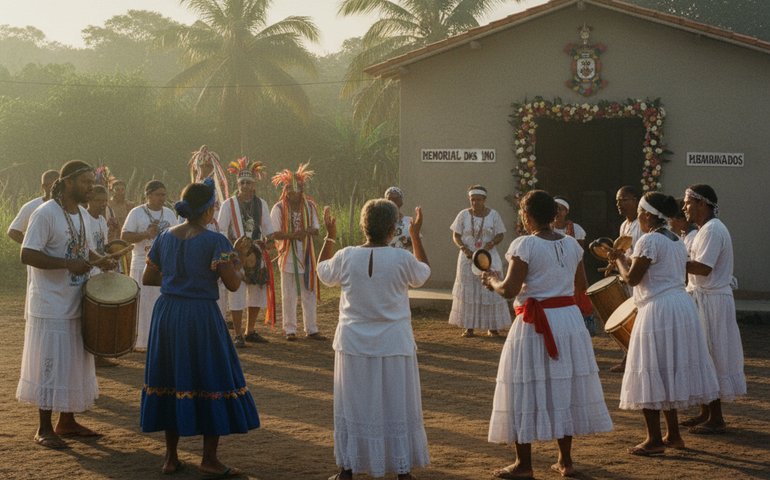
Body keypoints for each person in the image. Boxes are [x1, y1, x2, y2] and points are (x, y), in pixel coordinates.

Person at [481, 190, 613, 479]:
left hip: (534, 322)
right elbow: (580, 285)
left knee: (523, 386)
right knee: (562, 384)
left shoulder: (525, 244)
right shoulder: (571, 244)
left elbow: (510, 289)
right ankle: (565, 461)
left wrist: (492, 279)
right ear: (554, 215)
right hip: (568, 320)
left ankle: (524, 465)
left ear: (527, 216)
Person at [140, 179, 259, 476]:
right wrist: (239, 261)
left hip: (167, 313)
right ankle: (209, 459)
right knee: (211, 376)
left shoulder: (164, 237)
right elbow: (232, 284)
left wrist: (177, 278)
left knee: (171, 377)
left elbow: (149, 278)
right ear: (208, 211)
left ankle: (170, 458)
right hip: (200, 315)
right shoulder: (216, 241)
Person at [317, 199, 431, 480]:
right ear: (393, 230)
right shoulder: (402, 258)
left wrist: (330, 236)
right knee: (397, 404)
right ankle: (402, 472)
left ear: (363, 226)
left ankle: (347, 470)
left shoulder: (345, 255)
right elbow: (423, 274)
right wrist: (416, 237)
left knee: (353, 405)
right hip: (394, 343)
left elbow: (322, 271)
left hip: (354, 343)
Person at [608, 192, 720, 455]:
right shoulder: (676, 240)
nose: (638, 218)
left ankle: (655, 440)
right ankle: (673, 435)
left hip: (658, 310)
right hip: (681, 306)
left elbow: (632, 279)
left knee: (651, 368)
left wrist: (619, 260)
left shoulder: (649, 240)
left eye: (639, 213)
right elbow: (676, 275)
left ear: (648, 214)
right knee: (667, 369)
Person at [17, 160, 116, 449]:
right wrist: (66, 264)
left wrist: (101, 258)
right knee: (50, 364)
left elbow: (84, 247)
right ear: (68, 181)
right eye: (86, 181)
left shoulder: (83, 213)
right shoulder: (45, 213)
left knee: (73, 363)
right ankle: (43, 427)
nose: (91, 186)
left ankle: (67, 421)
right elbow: (27, 253)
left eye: (91, 181)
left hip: (76, 300)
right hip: (50, 304)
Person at [681, 184, 746, 434]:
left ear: (702, 203)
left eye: (688, 202)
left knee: (712, 355)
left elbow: (703, 268)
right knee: (703, 353)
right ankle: (705, 412)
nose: (684, 207)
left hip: (713, 301)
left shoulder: (712, 230)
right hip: (705, 298)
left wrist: (672, 259)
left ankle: (716, 418)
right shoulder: (704, 230)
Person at [218, 157, 275, 347]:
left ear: (254, 184)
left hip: (257, 254)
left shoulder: (262, 204)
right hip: (237, 255)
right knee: (237, 292)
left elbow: (268, 228)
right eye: (241, 182)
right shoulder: (229, 204)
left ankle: (250, 331)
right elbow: (221, 231)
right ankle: (237, 334)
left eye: (248, 183)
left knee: (256, 293)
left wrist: (270, 240)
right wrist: (232, 252)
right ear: (238, 184)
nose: (244, 186)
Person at [270, 163, 325, 341]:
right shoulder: (278, 208)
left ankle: (311, 328)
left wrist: (306, 232)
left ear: (302, 190)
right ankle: (290, 330)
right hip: (288, 257)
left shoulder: (309, 206)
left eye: (298, 191)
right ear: (286, 191)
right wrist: (292, 236)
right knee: (289, 295)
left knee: (309, 292)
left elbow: (316, 229)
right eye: (291, 192)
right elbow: (274, 234)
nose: (295, 195)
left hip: (307, 256)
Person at [121, 181, 178, 350]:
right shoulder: (137, 213)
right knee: (143, 305)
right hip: (141, 265)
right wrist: (146, 234)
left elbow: (177, 235)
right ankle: (142, 342)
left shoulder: (168, 213)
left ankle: (162, 341)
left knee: (163, 302)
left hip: (165, 266)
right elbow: (125, 236)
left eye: (164, 195)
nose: (162, 198)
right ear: (148, 195)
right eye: (158, 195)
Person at [449, 186, 511, 337]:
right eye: (472, 200)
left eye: (478, 199)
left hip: (488, 257)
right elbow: (456, 236)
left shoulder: (493, 215)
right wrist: (464, 249)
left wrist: (492, 243)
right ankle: (469, 327)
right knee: (468, 291)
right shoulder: (463, 215)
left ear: (484, 200)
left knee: (490, 288)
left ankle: (493, 327)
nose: (475, 202)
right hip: (467, 257)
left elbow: (500, 234)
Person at [8, 170, 60, 322]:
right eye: (53, 185)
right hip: (38, 261)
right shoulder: (33, 206)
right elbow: (13, 231)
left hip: (59, 260)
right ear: (44, 186)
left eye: (59, 183)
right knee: (38, 293)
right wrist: (34, 246)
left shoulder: (66, 206)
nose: (57, 188)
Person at [189, 146, 230, 317]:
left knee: (220, 281)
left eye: (209, 166)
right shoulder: (191, 191)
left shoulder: (223, 192)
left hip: (218, 239)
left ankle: (219, 318)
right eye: (202, 166)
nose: (205, 170)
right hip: (197, 240)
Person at [608, 186, 644, 372]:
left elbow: (642, 256)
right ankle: (628, 357)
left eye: (624, 200)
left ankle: (635, 359)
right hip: (628, 278)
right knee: (630, 319)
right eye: (617, 201)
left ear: (636, 201)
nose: (619, 204)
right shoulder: (624, 225)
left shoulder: (642, 224)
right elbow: (623, 252)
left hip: (640, 279)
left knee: (639, 320)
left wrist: (623, 260)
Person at [551, 196, 596, 336]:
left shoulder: (576, 229)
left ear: (566, 212)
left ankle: (583, 324)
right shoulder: (547, 228)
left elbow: (579, 253)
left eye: (561, 209)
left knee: (578, 294)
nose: (557, 212)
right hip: (552, 268)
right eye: (555, 208)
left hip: (572, 267)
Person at [7, 170, 60, 245]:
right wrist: (32, 246)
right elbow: (13, 232)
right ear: (43, 186)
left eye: (58, 185)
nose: (54, 189)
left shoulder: (69, 206)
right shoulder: (31, 206)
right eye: (50, 186)